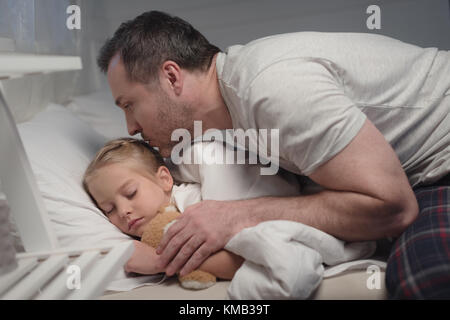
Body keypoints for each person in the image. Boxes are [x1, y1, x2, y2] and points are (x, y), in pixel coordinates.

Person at [97, 11, 450, 298]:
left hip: (441, 159)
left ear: (171, 77)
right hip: (415, 175)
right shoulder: (228, 118)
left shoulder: (271, 91)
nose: (130, 127)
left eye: (130, 105)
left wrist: (235, 216)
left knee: (425, 277)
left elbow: (395, 208)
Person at [82, 137, 244, 280]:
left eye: (131, 193)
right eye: (109, 209)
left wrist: (161, 262)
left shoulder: (192, 203)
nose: (123, 211)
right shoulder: (146, 237)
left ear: (164, 179)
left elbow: (241, 261)